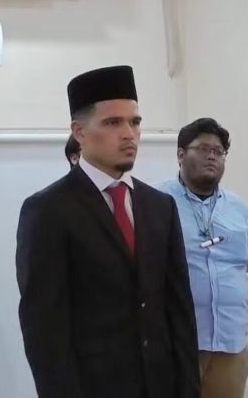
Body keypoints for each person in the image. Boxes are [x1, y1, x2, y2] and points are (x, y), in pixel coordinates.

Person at [16, 65, 199, 398]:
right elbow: (44, 328)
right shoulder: (49, 210)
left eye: (135, 122)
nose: (129, 134)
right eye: (113, 123)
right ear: (80, 132)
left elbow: (179, 311)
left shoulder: (159, 206)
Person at [158, 118, 248, 398]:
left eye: (219, 151)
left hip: (230, 344)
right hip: (178, 344)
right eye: (203, 149)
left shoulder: (239, 209)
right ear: (180, 154)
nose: (212, 156)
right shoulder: (156, 202)